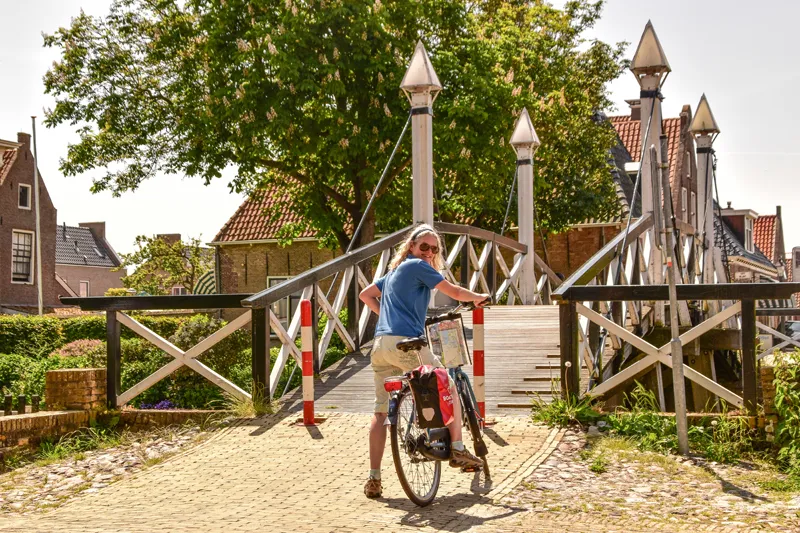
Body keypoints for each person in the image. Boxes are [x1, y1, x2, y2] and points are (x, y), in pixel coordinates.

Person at [359, 224, 489, 499]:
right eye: (424, 247)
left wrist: (387, 318)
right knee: (446, 383)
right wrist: (478, 297)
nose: (429, 252)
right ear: (412, 247)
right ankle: (457, 447)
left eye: (434, 248)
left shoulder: (394, 271)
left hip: (381, 345)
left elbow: (365, 295)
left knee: (381, 413)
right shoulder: (417, 266)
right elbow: (453, 291)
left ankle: (374, 478)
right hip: (406, 343)